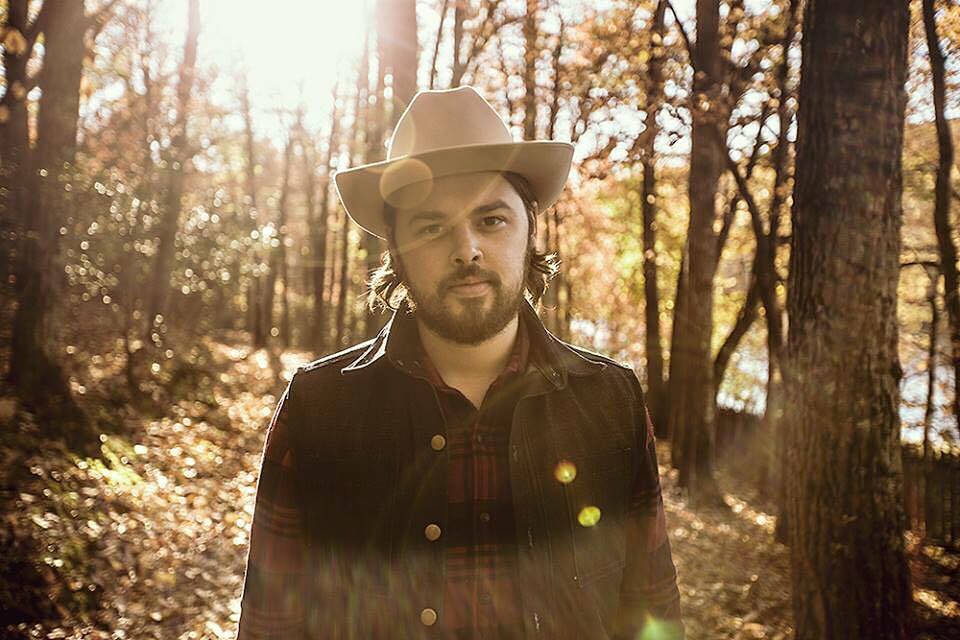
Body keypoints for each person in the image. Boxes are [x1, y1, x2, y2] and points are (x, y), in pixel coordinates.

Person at [236, 86, 684, 639]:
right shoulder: (318, 409)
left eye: (491, 220)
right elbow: (269, 625)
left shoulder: (611, 402)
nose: (466, 249)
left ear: (530, 230)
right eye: (431, 227)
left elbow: (653, 612)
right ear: (397, 253)